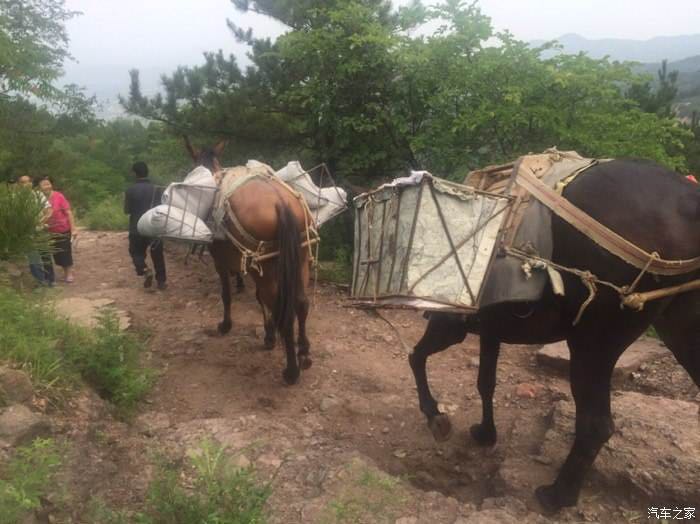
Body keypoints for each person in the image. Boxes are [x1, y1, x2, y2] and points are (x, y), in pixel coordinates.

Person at [124, 161, 167, 290]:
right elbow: (163, 207)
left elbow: (127, 210)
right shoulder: (157, 189)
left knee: (135, 252)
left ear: (134, 173)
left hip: (136, 228)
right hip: (154, 227)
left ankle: (144, 269)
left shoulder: (130, 190)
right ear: (147, 172)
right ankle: (161, 282)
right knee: (157, 254)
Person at [18, 175, 55, 285]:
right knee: (33, 257)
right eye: (23, 182)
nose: (26, 184)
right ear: (19, 185)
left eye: (28, 182)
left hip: (40, 229)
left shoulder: (38, 195)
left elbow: (49, 211)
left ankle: (50, 280)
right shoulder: (16, 198)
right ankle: (40, 281)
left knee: (45, 254)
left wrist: (41, 222)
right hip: (27, 232)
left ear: (31, 183)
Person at [38, 176, 76, 283]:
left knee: (65, 252)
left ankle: (68, 273)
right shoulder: (38, 198)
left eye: (48, 183)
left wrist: (73, 229)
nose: (47, 186)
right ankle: (54, 275)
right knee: (55, 254)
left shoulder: (58, 196)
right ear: (39, 186)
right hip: (47, 231)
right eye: (44, 184)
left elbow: (68, 212)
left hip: (62, 229)